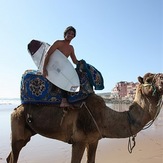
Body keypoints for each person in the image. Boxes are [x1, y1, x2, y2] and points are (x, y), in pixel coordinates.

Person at [43, 26, 78, 108]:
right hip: (51, 67)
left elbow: (74, 61)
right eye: (69, 33)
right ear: (65, 34)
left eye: (72, 34)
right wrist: (44, 68)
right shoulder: (58, 43)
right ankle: (63, 101)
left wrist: (81, 63)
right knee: (63, 80)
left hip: (60, 69)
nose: (70, 35)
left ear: (74, 36)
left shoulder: (71, 48)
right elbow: (48, 54)